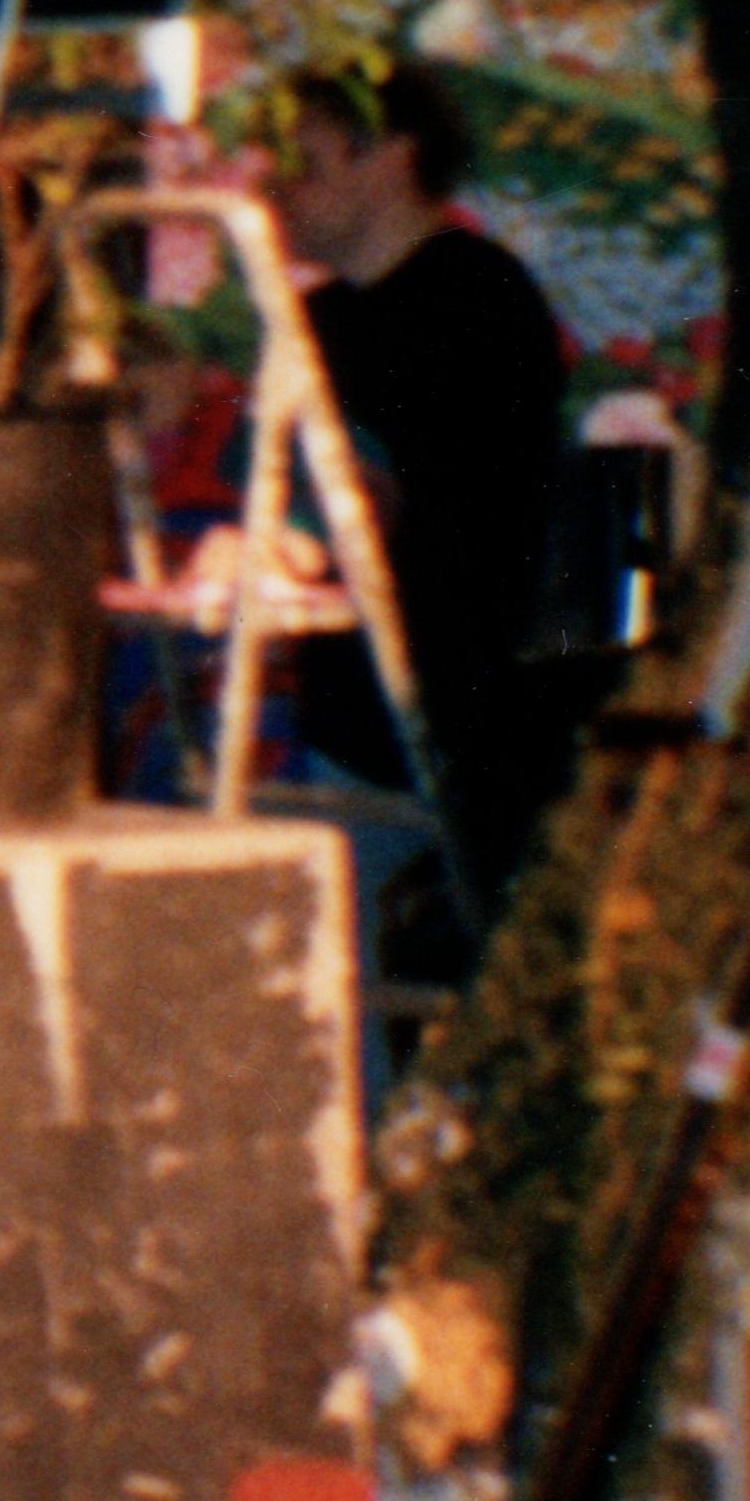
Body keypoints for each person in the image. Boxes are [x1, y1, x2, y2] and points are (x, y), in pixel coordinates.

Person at [267, 61, 580, 895]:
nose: (277, 189)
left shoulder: (475, 297)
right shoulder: (325, 316)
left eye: (306, 161)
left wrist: (288, 545)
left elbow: (379, 490)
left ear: (389, 156)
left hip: (442, 725)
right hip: (348, 712)